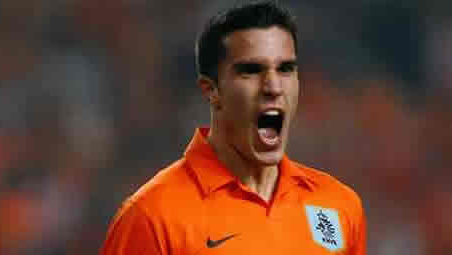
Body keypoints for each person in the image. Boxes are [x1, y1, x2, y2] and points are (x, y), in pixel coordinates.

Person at [100, 1, 366, 254]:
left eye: (285, 69)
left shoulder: (337, 205)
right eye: (251, 71)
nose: (273, 87)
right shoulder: (152, 216)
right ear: (212, 90)